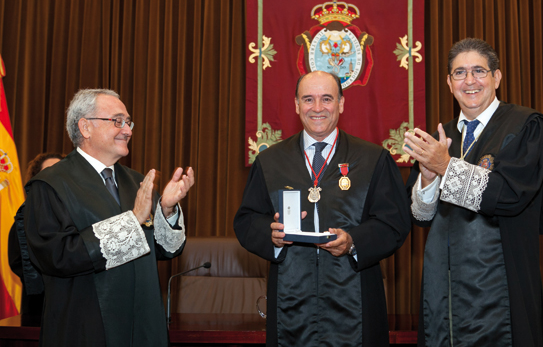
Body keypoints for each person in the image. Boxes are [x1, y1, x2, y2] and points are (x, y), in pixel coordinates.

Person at [234, 71, 411, 347]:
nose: (317, 108)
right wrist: (272, 235)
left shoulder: (373, 159)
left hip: (355, 302)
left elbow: (394, 224)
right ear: (296, 105)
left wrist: (354, 241)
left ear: (341, 103)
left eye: (326, 99)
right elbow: (246, 220)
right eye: (308, 99)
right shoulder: (270, 161)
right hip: (290, 306)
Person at [403, 38, 543, 347]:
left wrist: (445, 166)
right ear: (449, 83)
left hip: (501, 291)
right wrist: (429, 176)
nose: (469, 81)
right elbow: (421, 216)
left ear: (496, 77)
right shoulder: (440, 138)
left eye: (478, 71)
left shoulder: (526, 126)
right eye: (459, 73)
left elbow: (510, 196)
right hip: (444, 293)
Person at [19, 89, 194, 346]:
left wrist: (166, 210)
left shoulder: (137, 181)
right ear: (85, 127)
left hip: (142, 326)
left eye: (128, 122)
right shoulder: (49, 185)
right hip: (84, 329)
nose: (128, 130)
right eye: (117, 121)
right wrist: (132, 220)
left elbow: (165, 250)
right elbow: (55, 257)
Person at [8, 152, 64, 319]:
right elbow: (17, 262)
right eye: (49, 171)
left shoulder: (82, 214)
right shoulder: (25, 217)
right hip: (39, 310)